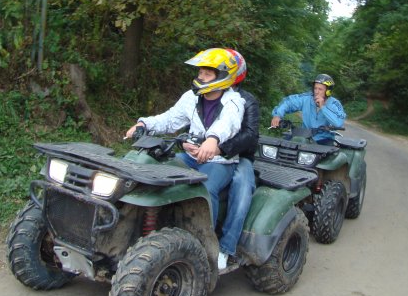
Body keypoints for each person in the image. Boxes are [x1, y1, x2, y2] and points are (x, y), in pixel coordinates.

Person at [125, 48, 245, 269]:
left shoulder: (234, 101)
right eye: (200, 72)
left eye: (207, 73)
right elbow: (170, 119)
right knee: (152, 172)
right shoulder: (191, 97)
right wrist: (144, 124)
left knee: (205, 190)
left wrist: (213, 140)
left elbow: (228, 123)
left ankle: (207, 248)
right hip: (190, 157)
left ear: (222, 76)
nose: (201, 76)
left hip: (219, 162)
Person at [208, 49, 258, 271]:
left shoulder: (247, 101)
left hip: (238, 157)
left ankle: (225, 248)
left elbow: (250, 135)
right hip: (205, 153)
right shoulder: (207, 93)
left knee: (242, 186)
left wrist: (222, 148)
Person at [270, 73, 346, 145]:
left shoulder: (335, 104)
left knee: (329, 153)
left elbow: (338, 123)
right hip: (304, 135)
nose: (316, 92)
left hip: (324, 139)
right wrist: (277, 115)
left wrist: (323, 107)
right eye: (315, 88)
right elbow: (288, 102)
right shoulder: (306, 98)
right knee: (282, 146)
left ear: (328, 91)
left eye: (320, 89)